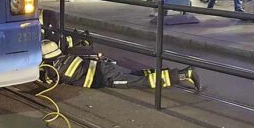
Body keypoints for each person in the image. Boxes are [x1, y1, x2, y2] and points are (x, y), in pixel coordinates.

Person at [41, 40, 201, 91]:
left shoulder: (54, 70)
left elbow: (49, 83)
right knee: (137, 74)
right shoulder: (66, 57)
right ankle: (177, 71)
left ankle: (181, 75)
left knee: (141, 81)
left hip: (106, 77)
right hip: (105, 66)